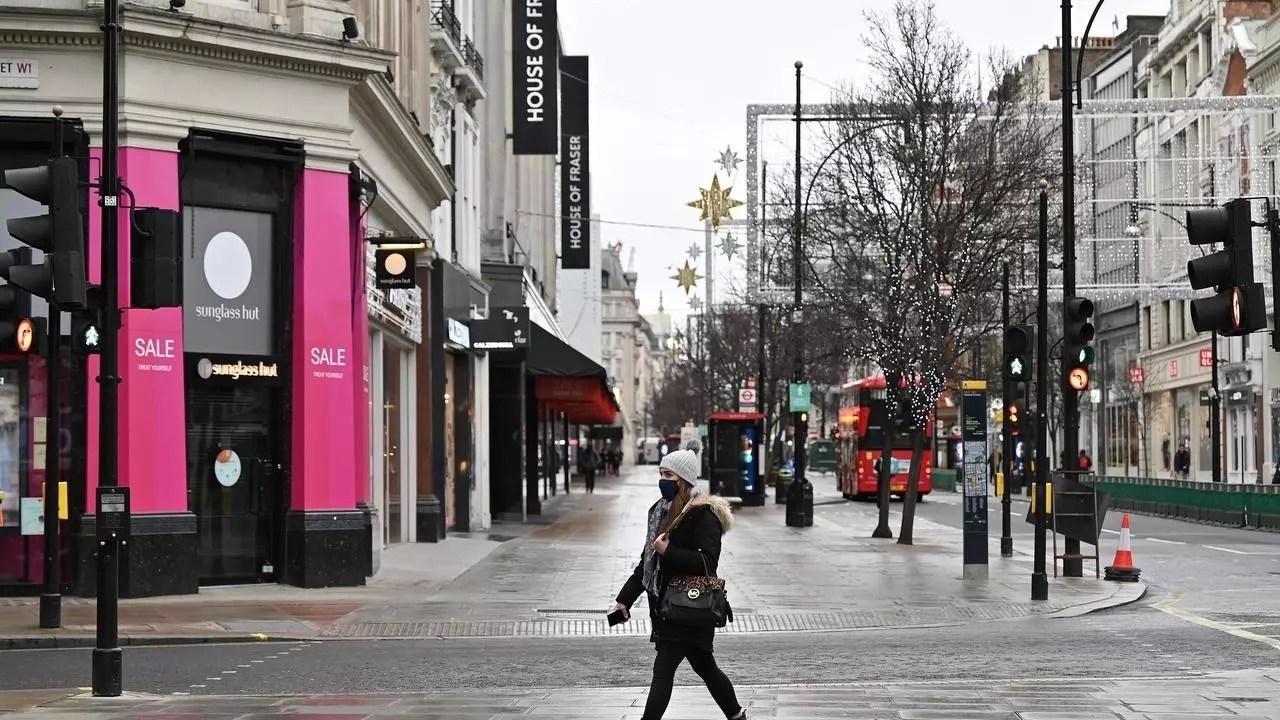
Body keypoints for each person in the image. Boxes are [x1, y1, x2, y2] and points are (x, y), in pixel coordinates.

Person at [612, 449, 746, 720]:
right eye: (661, 474)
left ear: (684, 480)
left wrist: (668, 551)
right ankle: (737, 716)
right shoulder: (660, 513)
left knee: (663, 671)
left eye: (668, 475)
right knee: (706, 667)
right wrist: (624, 599)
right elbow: (646, 565)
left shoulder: (703, 515)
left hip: (688, 606)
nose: (663, 480)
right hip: (671, 607)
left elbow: (707, 563)